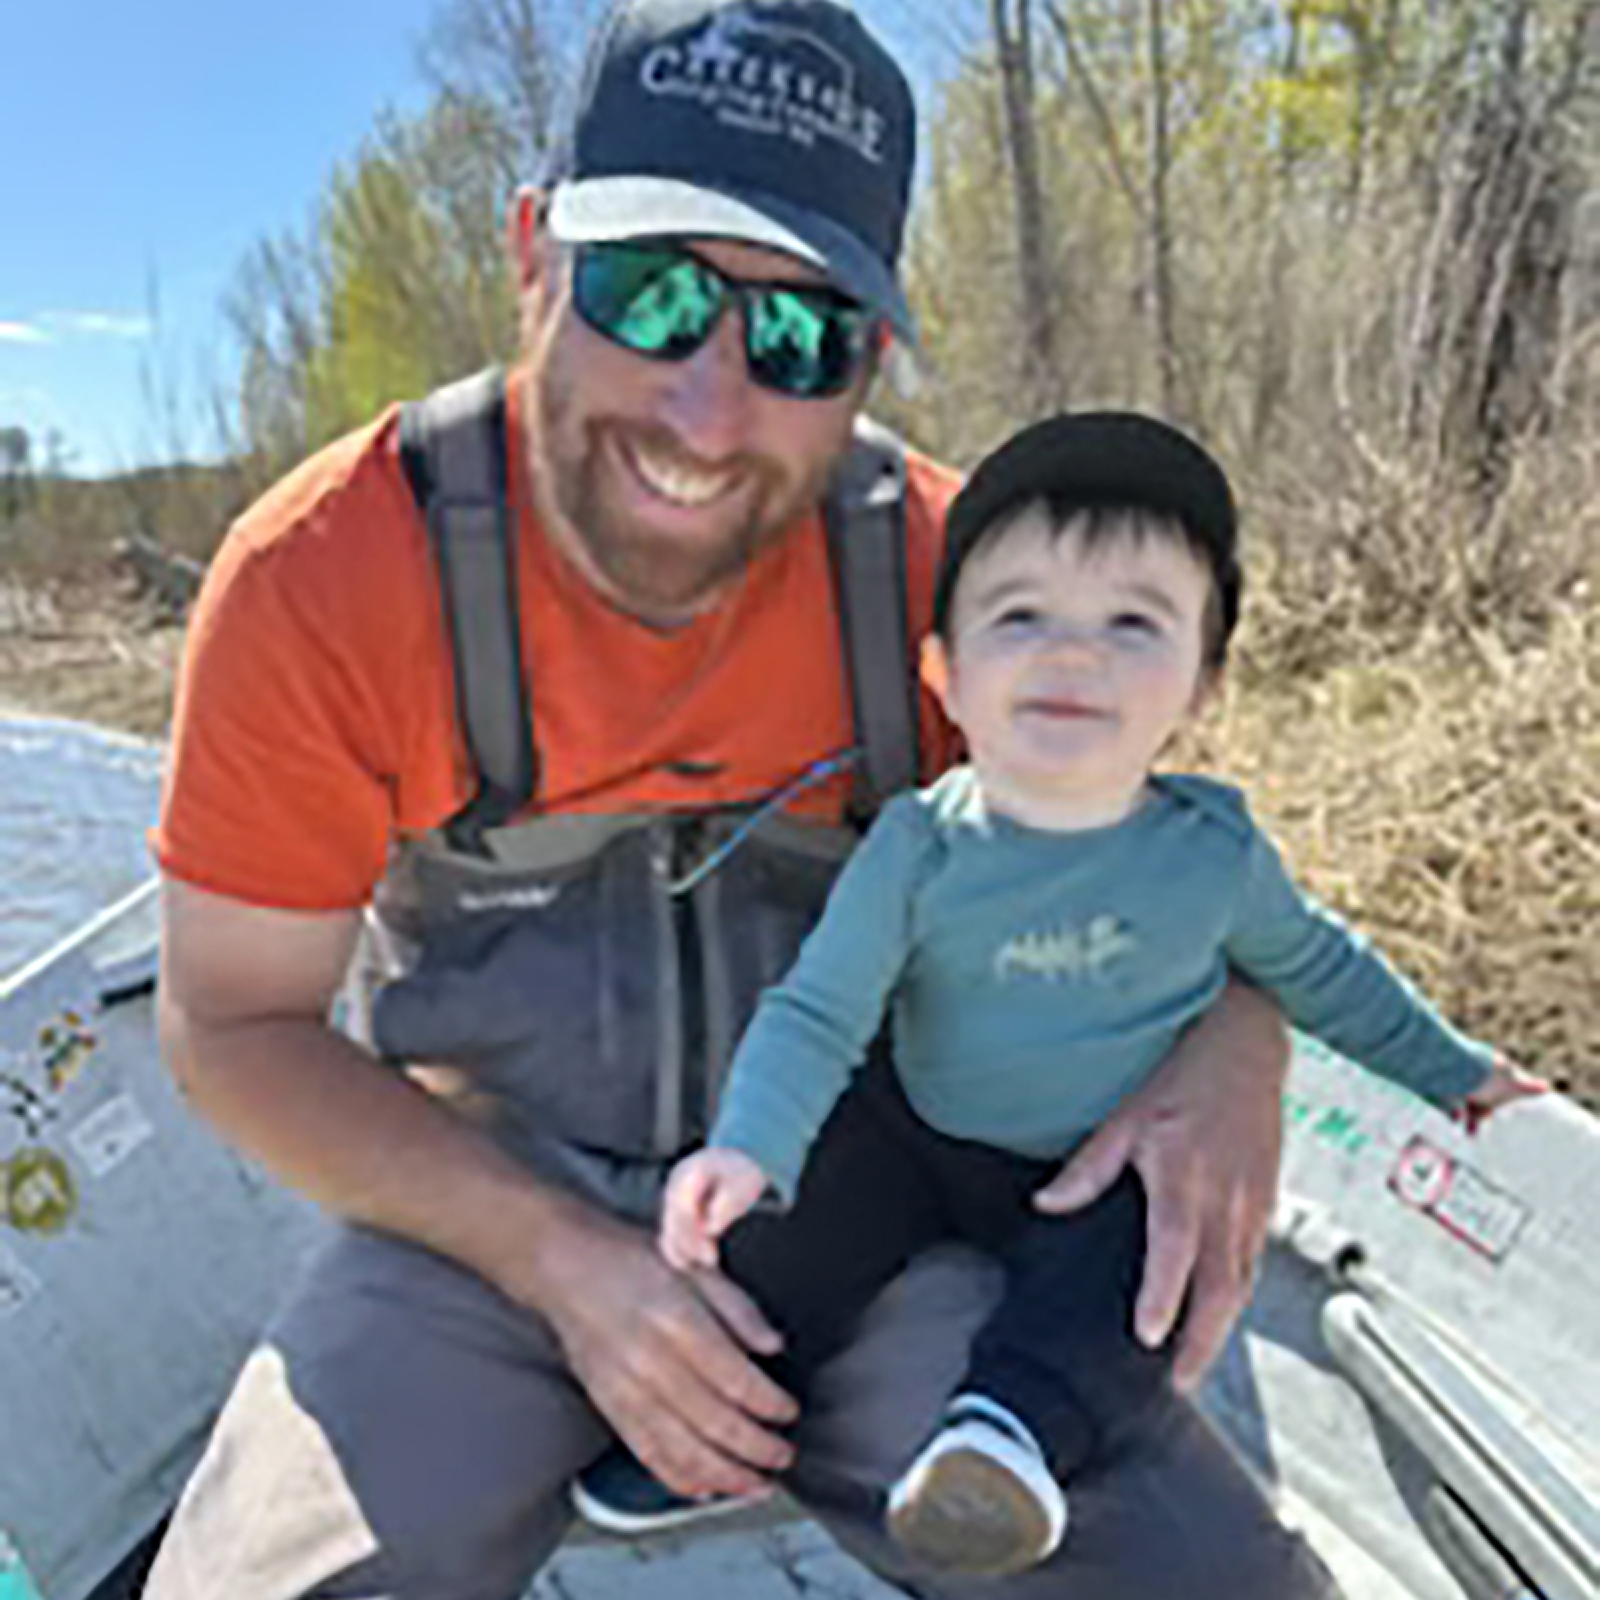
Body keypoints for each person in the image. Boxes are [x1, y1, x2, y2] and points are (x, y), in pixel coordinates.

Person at [144, 3, 1343, 1597]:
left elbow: (1175, 873)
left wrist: (1237, 1040)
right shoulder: (330, 581)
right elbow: (233, 1026)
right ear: (532, 254)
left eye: (800, 335)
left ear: (874, 355)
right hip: (479, 1221)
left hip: (860, 1219)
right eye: (651, 296)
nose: (708, 413)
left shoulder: (946, 572)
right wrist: (567, 1267)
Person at [573, 411, 1545, 1576]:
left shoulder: (1213, 855)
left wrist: (1456, 1074)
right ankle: (725, 1422)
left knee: (1130, 1294)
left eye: (1133, 623)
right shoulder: (917, 848)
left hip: (1093, 1155)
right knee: (791, 1234)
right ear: (947, 671)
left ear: (1203, 680)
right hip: (920, 1123)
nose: (1071, 654)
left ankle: (1002, 1443)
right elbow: (816, 1013)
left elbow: (1322, 971)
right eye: (1020, 616)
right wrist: (748, 1146)